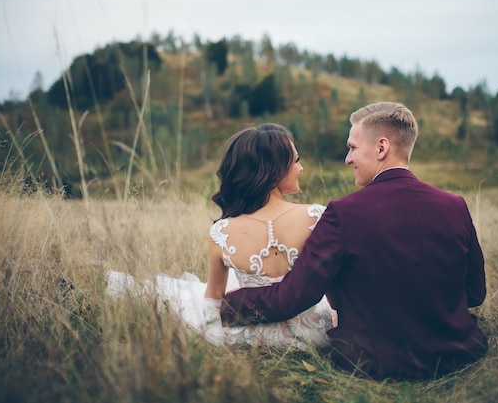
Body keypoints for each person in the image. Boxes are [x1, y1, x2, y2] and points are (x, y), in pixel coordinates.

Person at [220, 102, 488, 380]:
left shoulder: (342, 213)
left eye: (353, 148)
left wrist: (228, 305)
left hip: (376, 364)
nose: (348, 158)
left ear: (381, 148)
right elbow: (475, 293)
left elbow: (293, 297)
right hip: (458, 357)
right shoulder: (455, 205)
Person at [107, 123, 335, 350]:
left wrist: (210, 334)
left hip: (253, 336)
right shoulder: (316, 216)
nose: (301, 168)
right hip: (312, 333)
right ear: (274, 168)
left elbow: (213, 299)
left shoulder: (222, 232)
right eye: (296, 161)